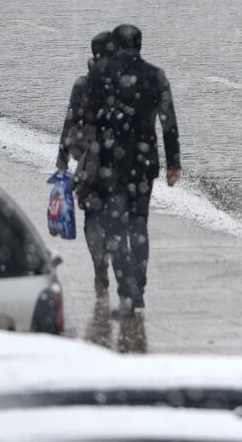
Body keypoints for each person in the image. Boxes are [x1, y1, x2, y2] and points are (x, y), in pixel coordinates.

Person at [89, 24, 181, 318]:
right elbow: (168, 122)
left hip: (110, 165)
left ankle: (127, 293)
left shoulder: (102, 75)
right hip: (144, 165)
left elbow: (89, 118)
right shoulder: (155, 76)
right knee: (139, 225)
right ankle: (138, 286)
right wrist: (173, 163)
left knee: (116, 230)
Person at [56, 31, 119, 298]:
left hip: (87, 164)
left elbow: (71, 121)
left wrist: (61, 159)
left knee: (93, 216)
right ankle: (111, 264)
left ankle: (100, 266)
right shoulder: (124, 82)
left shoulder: (83, 84)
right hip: (118, 164)